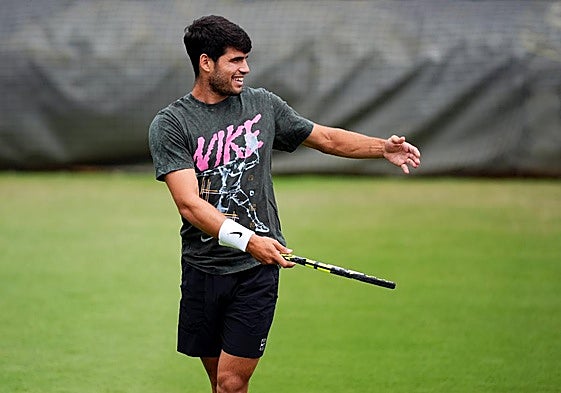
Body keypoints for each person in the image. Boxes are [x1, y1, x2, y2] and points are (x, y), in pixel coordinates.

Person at [148, 15, 421, 393]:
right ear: (205, 62)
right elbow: (189, 204)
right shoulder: (172, 124)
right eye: (235, 60)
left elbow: (325, 138)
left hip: (256, 269)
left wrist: (382, 148)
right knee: (218, 383)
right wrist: (248, 239)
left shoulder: (263, 106)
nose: (245, 68)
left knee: (230, 382)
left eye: (246, 59)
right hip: (203, 269)